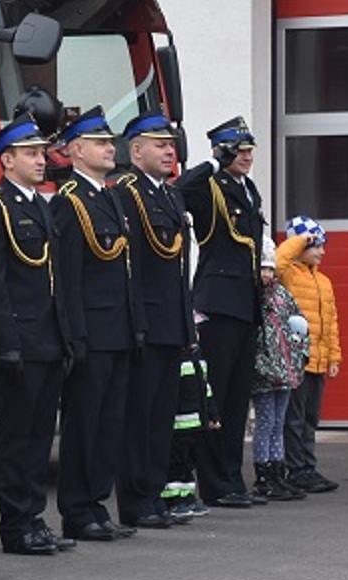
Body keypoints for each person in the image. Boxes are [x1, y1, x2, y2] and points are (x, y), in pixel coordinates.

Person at [0, 114, 79, 556]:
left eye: (41, 153)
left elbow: (55, 280)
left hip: (47, 339)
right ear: (7, 160)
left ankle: (35, 517)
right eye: (31, 154)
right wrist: (6, 343)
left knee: (38, 437)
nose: (41, 160)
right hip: (17, 342)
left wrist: (65, 338)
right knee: (15, 436)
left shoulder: (40, 205)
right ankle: (16, 524)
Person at [49, 106, 144, 542]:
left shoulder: (109, 197)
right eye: (101, 142)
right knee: (85, 424)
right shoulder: (70, 202)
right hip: (92, 332)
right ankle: (77, 509)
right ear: (75, 151)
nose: (110, 148)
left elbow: (125, 269)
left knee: (110, 425)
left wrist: (135, 324)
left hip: (118, 330)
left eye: (110, 142)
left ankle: (97, 505)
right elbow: (67, 277)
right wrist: (75, 335)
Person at [174, 116, 270, 508]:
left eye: (248, 150)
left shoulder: (248, 189)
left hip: (245, 304)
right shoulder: (210, 185)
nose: (245, 157)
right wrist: (214, 162)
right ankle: (215, 483)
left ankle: (232, 479)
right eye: (238, 150)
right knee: (215, 396)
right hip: (217, 303)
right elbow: (180, 189)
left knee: (236, 401)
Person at [111, 111, 195, 530]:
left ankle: (155, 493)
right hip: (146, 323)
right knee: (139, 418)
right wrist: (137, 323)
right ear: (136, 150)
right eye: (160, 145)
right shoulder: (129, 194)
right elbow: (132, 268)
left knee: (162, 417)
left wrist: (186, 325)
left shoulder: (171, 196)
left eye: (171, 145)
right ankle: (136, 500)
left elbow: (177, 270)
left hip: (171, 322)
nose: (169, 152)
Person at [277, 216, 342, 494]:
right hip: (296, 360)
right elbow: (279, 260)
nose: (322, 252)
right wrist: (301, 239)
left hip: (318, 361)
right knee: (293, 417)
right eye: (317, 246)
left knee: (310, 418)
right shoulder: (288, 274)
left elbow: (331, 322)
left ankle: (308, 466)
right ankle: (296, 469)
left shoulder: (324, 281)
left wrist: (333, 357)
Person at [250, 257, 311, 502]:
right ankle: (263, 475)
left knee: (278, 422)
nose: (266, 274)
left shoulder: (283, 295)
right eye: (262, 269)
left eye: (269, 269)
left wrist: (299, 355)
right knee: (265, 422)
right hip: (265, 373)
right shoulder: (254, 298)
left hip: (286, 370)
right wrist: (262, 366)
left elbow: (299, 325)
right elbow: (252, 338)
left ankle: (277, 471)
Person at [162, 351, 215, 518]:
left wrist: (212, 413)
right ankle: (172, 499)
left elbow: (206, 389)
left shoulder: (198, 360)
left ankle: (187, 495)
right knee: (174, 463)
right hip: (178, 424)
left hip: (196, 424)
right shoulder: (177, 361)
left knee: (188, 463)